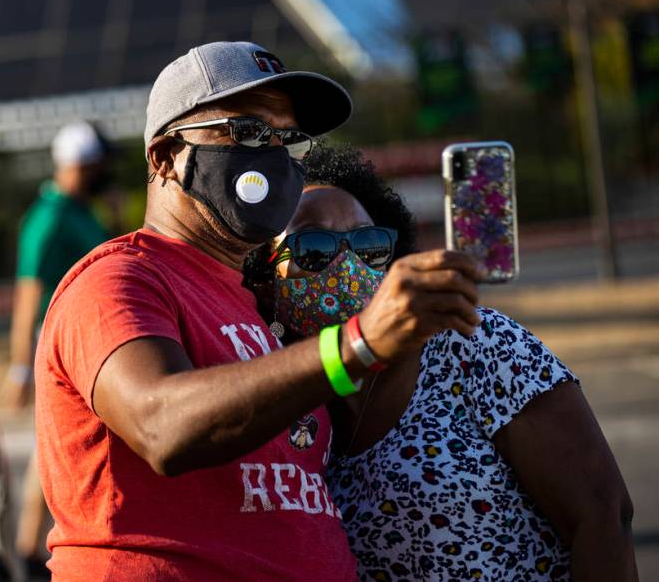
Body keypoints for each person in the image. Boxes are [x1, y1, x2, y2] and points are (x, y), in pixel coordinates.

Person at [34, 41, 487, 581]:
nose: (272, 155)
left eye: (287, 138)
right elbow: (160, 425)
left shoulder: (256, 304)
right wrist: (358, 343)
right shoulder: (119, 280)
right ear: (164, 157)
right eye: (247, 132)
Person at [243, 145, 638, 581]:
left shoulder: (470, 338)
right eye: (313, 247)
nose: (346, 263)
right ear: (262, 280)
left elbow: (604, 515)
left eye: (369, 245)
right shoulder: (291, 411)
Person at [3, 120, 112, 576]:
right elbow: (28, 294)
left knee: (54, 456)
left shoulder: (80, 208)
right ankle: (30, 554)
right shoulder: (48, 218)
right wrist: (18, 370)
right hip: (61, 355)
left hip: (89, 345)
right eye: (99, 164)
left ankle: (29, 550)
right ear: (82, 165)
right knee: (53, 456)